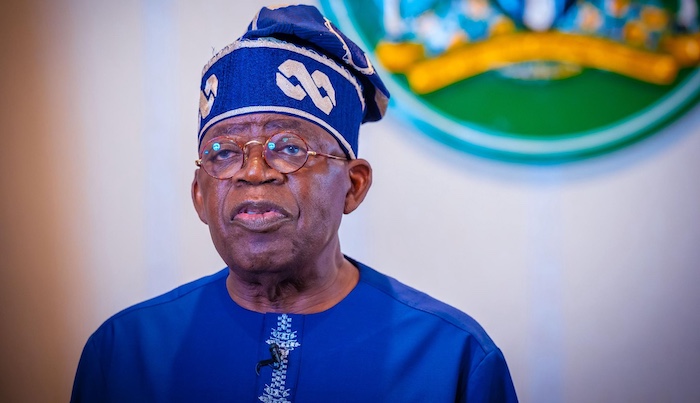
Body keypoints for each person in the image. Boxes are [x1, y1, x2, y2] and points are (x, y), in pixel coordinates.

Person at [71, 4, 517, 402]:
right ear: (200, 196)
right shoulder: (124, 353)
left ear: (354, 186)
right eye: (223, 153)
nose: (253, 172)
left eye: (289, 147)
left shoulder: (452, 358)